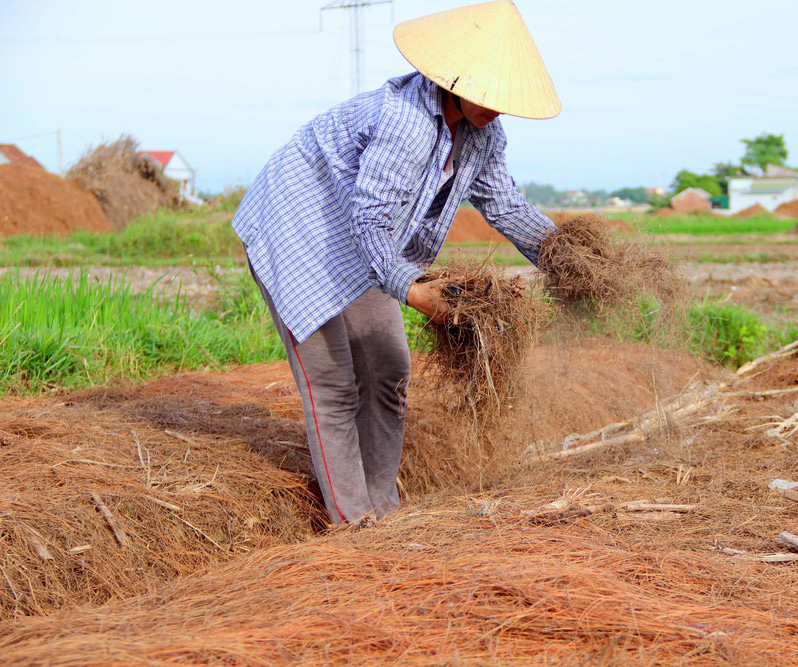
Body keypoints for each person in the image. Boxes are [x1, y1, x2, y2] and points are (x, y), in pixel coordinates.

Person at [232, 0, 561, 524]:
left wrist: (561, 255)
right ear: (453, 78)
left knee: (388, 373)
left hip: (366, 241)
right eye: (487, 94)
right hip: (301, 234)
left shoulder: (484, 133)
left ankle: (384, 512)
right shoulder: (404, 121)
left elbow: (505, 204)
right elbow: (371, 225)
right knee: (334, 383)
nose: (496, 108)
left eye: (505, 99)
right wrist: (416, 291)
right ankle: (356, 526)